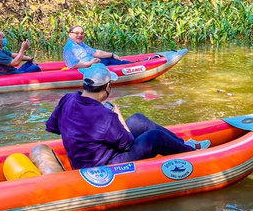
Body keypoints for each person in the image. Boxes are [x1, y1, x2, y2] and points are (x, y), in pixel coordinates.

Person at [45, 64, 210, 170]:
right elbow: (128, 143)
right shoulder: (105, 115)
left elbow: (52, 127)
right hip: (103, 167)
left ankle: (184, 145)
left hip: (84, 157)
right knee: (155, 137)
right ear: (108, 87)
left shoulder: (67, 98)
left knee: (138, 120)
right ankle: (190, 154)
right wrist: (118, 116)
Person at [63, 25, 131, 70]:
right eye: (77, 33)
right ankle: (133, 65)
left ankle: (134, 63)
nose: (80, 35)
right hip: (89, 68)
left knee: (111, 59)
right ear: (70, 34)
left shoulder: (80, 44)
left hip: (95, 63)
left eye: (82, 33)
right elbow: (73, 65)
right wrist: (90, 63)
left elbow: (95, 53)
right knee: (113, 62)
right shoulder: (70, 47)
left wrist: (112, 55)